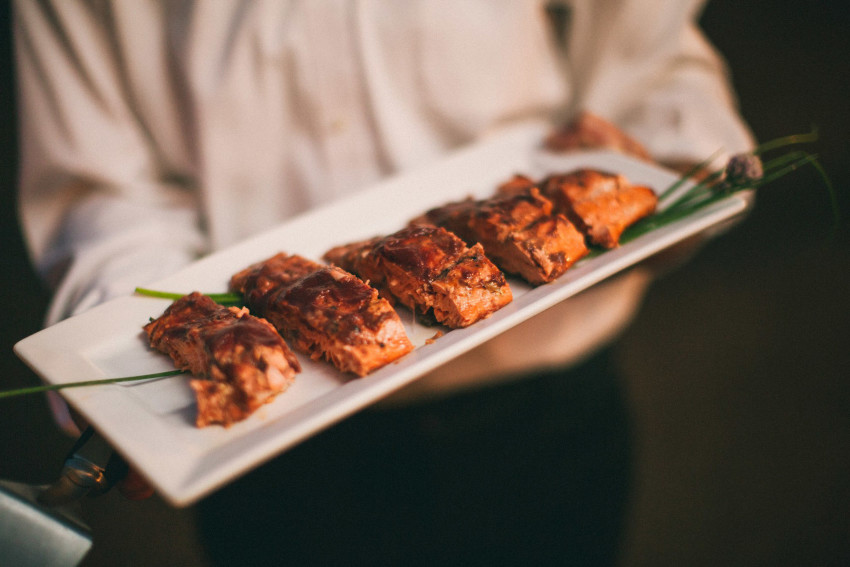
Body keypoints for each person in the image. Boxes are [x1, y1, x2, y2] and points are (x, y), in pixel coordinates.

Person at [14, 0, 754, 563]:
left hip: (545, 408)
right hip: (275, 463)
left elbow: (651, 58)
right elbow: (102, 187)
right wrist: (139, 374)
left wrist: (655, 173)